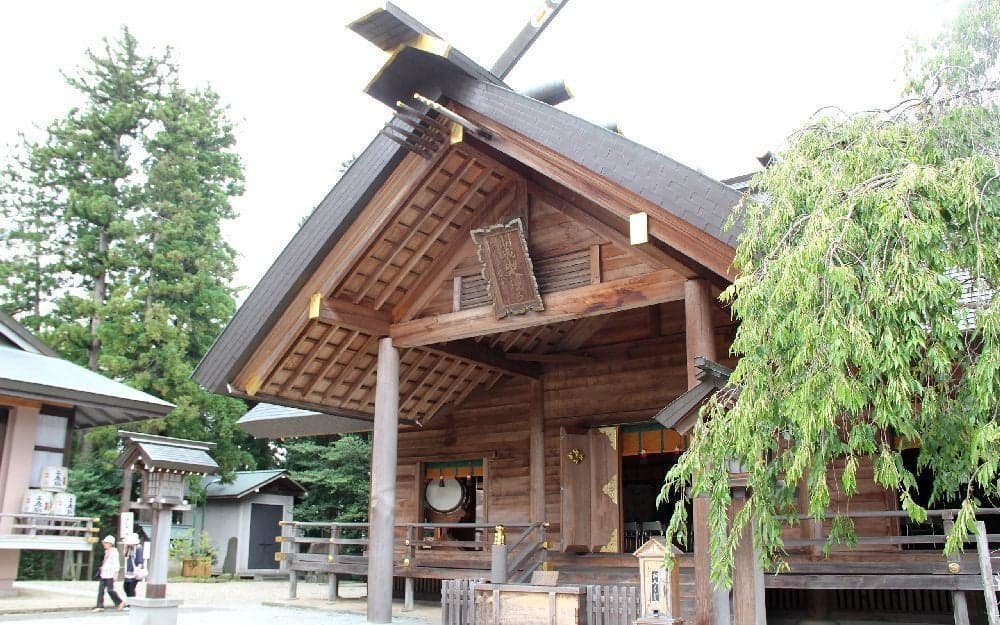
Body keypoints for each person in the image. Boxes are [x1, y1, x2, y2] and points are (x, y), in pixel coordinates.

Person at [94, 535, 124, 612]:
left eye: (106, 543)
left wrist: (115, 573)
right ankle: (99, 606)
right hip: (104, 573)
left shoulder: (114, 552)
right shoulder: (107, 551)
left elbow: (116, 564)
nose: (104, 544)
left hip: (110, 574)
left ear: (110, 544)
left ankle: (120, 602)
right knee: (101, 590)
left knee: (110, 590)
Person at [122, 532, 145, 602]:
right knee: (126, 587)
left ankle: (132, 603)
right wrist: (125, 546)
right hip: (128, 571)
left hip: (135, 571)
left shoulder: (139, 548)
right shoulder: (130, 548)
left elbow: (140, 561)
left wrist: (137, 570)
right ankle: (130, 602)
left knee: (131, 588)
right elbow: (124, 555)